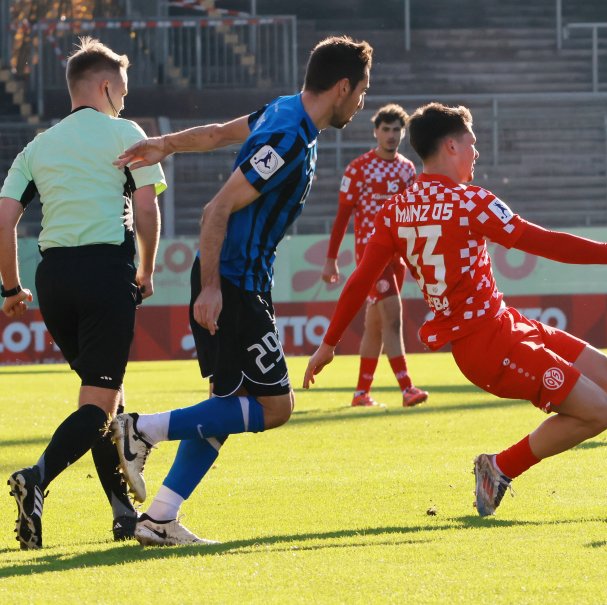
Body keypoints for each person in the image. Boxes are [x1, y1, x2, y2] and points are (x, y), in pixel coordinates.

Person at [303, 102, 607, 517]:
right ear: (449, 147)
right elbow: (546, 244)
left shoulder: (396, 209)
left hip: (499, 327)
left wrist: (327, 345)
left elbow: (359, 281)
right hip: (489, 344)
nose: (476, 154)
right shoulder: (471, 202)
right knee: (598, 411)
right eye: (471, 144)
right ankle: (500, 467)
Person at [108, 36, 373, 545]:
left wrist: (164, 144)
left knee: (227, 403)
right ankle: (142, 430)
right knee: (276, 407)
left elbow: (213, 135)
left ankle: (160, 517)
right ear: (342, 87)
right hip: (232, 279)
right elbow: (217, 210)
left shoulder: (283, 110)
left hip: (236, 277)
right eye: (361, 91)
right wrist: (212, 288)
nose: (361, 102)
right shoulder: (290, 137)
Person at [0, 37, 165, 549]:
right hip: (105, 272)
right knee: (98, 402)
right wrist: (147, 269)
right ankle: (37, 478)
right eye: (123, 90)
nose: (125, 99)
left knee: (104, 396)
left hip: (53, 281)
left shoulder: (38, 146)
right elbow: (146, 207)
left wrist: (10, 287)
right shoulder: (124, 133)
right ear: (106, 86)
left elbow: (5, 216)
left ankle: (121, 514)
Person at [322, 103, 428, 408]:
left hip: (397, 254)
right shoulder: (358, 169)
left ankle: (361, 393)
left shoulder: (407, 169)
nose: (392, 135)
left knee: (376, 326)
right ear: (375, 131)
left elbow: (413, 216)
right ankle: (407, 388)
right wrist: (331, 258)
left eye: (397, 130)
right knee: (393, 318)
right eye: (386, 129)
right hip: (371, 254)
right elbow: (343, 216)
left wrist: (414, 255)